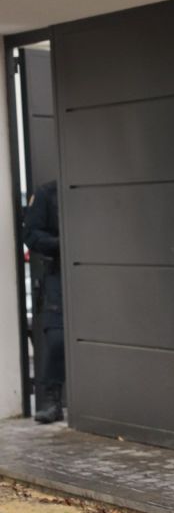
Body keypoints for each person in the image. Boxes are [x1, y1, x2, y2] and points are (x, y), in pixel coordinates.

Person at [22, 180, 65, 423]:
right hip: (58, 272)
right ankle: (52, 401)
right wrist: (61, 243)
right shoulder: (48, 193)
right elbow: (31, 234)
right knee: (57, 337)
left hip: (97, 272)